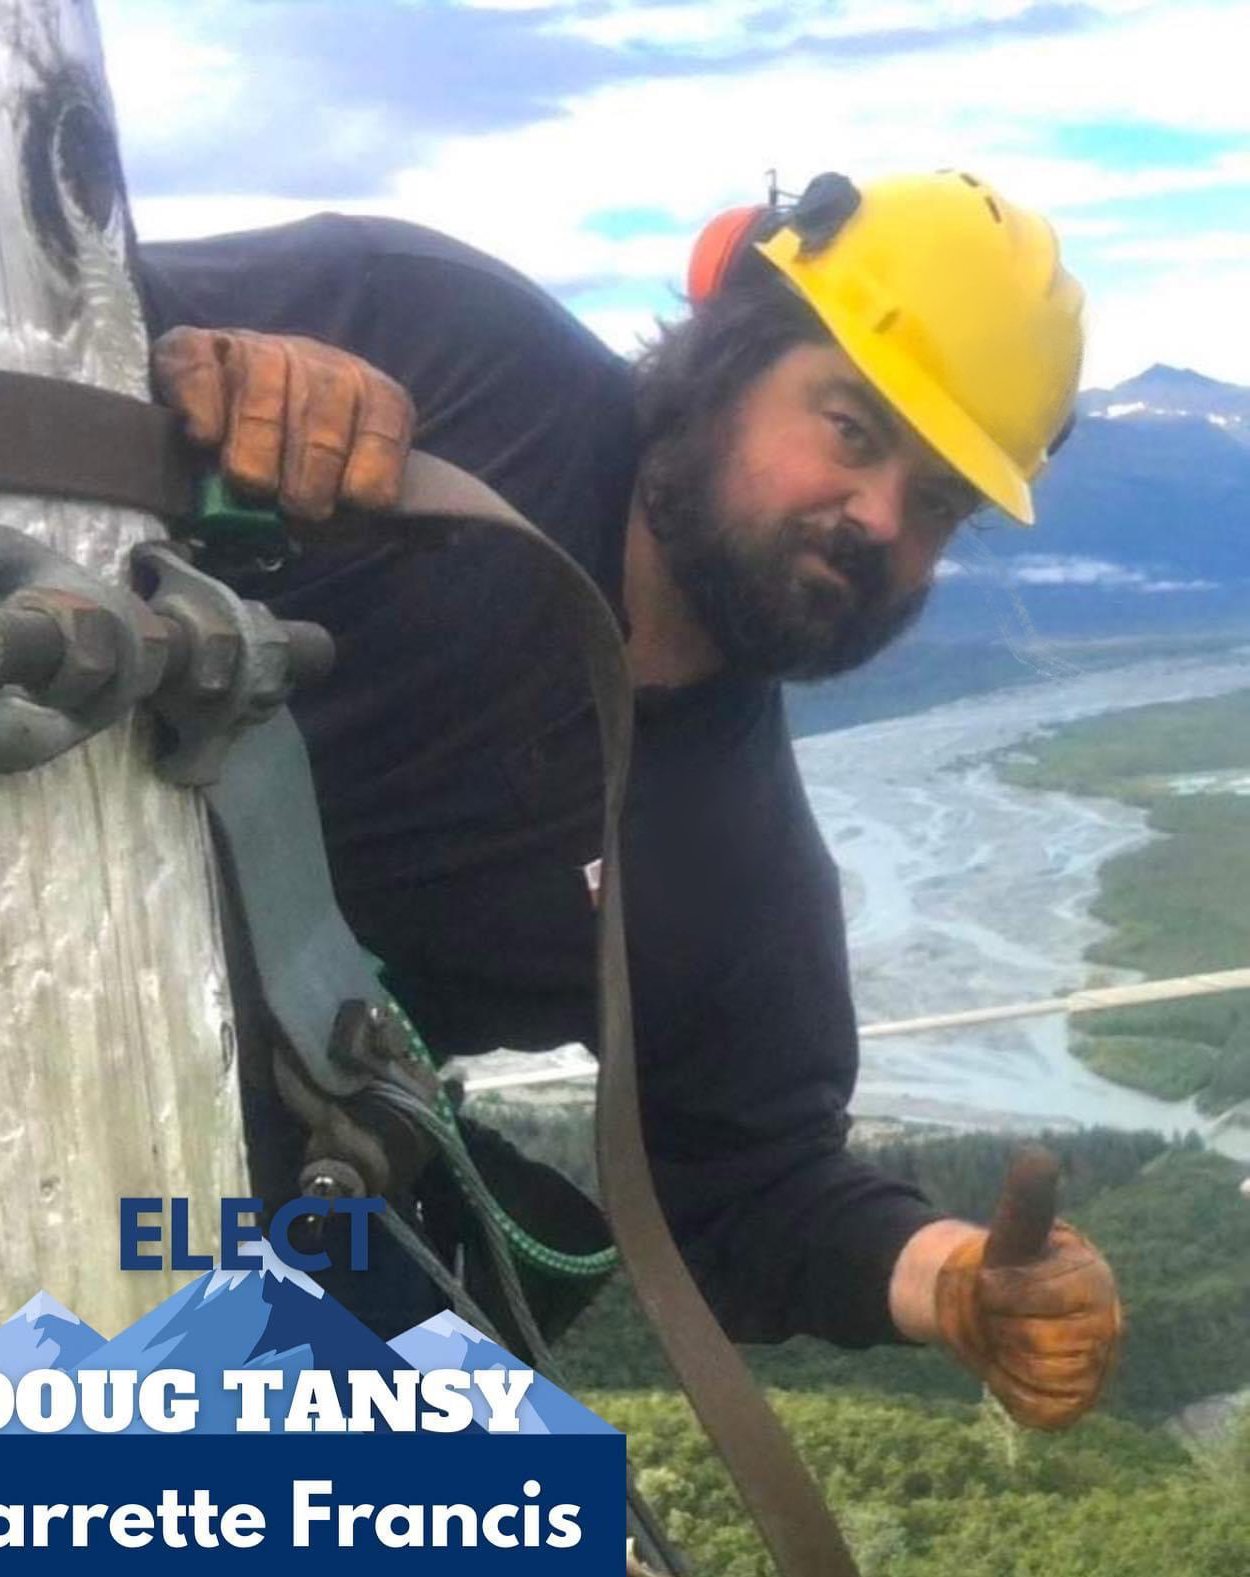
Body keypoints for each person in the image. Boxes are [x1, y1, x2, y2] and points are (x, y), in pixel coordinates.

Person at [138, 170, 1121, 1434]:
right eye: (853, 428)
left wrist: (954, 1282)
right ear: (728, 361)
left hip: (178, 1194)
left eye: (937, 503)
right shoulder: (437, 347)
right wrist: (209, 376)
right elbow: (13, 329)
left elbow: (757, 1184)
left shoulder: (735, 869)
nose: (879, 517)